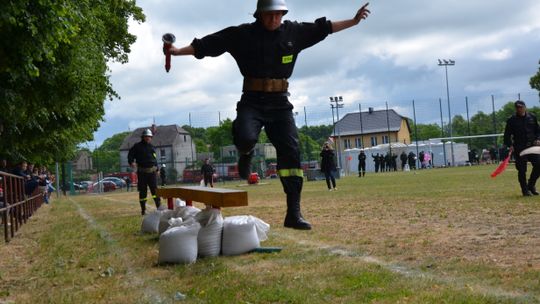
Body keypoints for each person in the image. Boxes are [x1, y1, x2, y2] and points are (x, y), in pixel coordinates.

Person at [167, 0, 371, 230]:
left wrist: (354, 21)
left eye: (278, 15)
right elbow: (208, 45)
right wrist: (177, 51)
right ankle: (246, 152)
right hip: (252, 101)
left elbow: (325, 28)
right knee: (244, 136)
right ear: (259, 15)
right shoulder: (243, 34)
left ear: (283, 14)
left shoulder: (294, 32)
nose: (274, 19)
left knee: (292, 154)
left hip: (280, 104)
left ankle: (293, 213)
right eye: (269, 15)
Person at [503, 100, 540, 196]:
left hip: (532, 146)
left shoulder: (532, 117)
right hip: (520, 147)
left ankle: (531, 185)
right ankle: (525, 190)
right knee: (522, 169)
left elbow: (538, 131)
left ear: (525, 107)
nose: (519, 109)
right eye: (517, 107)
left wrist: (538, 139)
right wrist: (510, 145)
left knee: (539, 165)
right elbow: (507, 135)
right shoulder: (511, 120)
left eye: (521, 107)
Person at [128, 129, 162, 215]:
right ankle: (143, 210)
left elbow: (154, 159)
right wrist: (131, 162)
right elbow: (130, 155)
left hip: (152, 173)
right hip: (142, 173)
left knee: (155, 191)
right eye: (146, 137)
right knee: (143, 191)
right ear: (143, 137)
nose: (148, 138)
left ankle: (159, 208)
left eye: (149, 137)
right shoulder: (137, 146)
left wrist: (157, 169)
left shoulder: (152, 147)